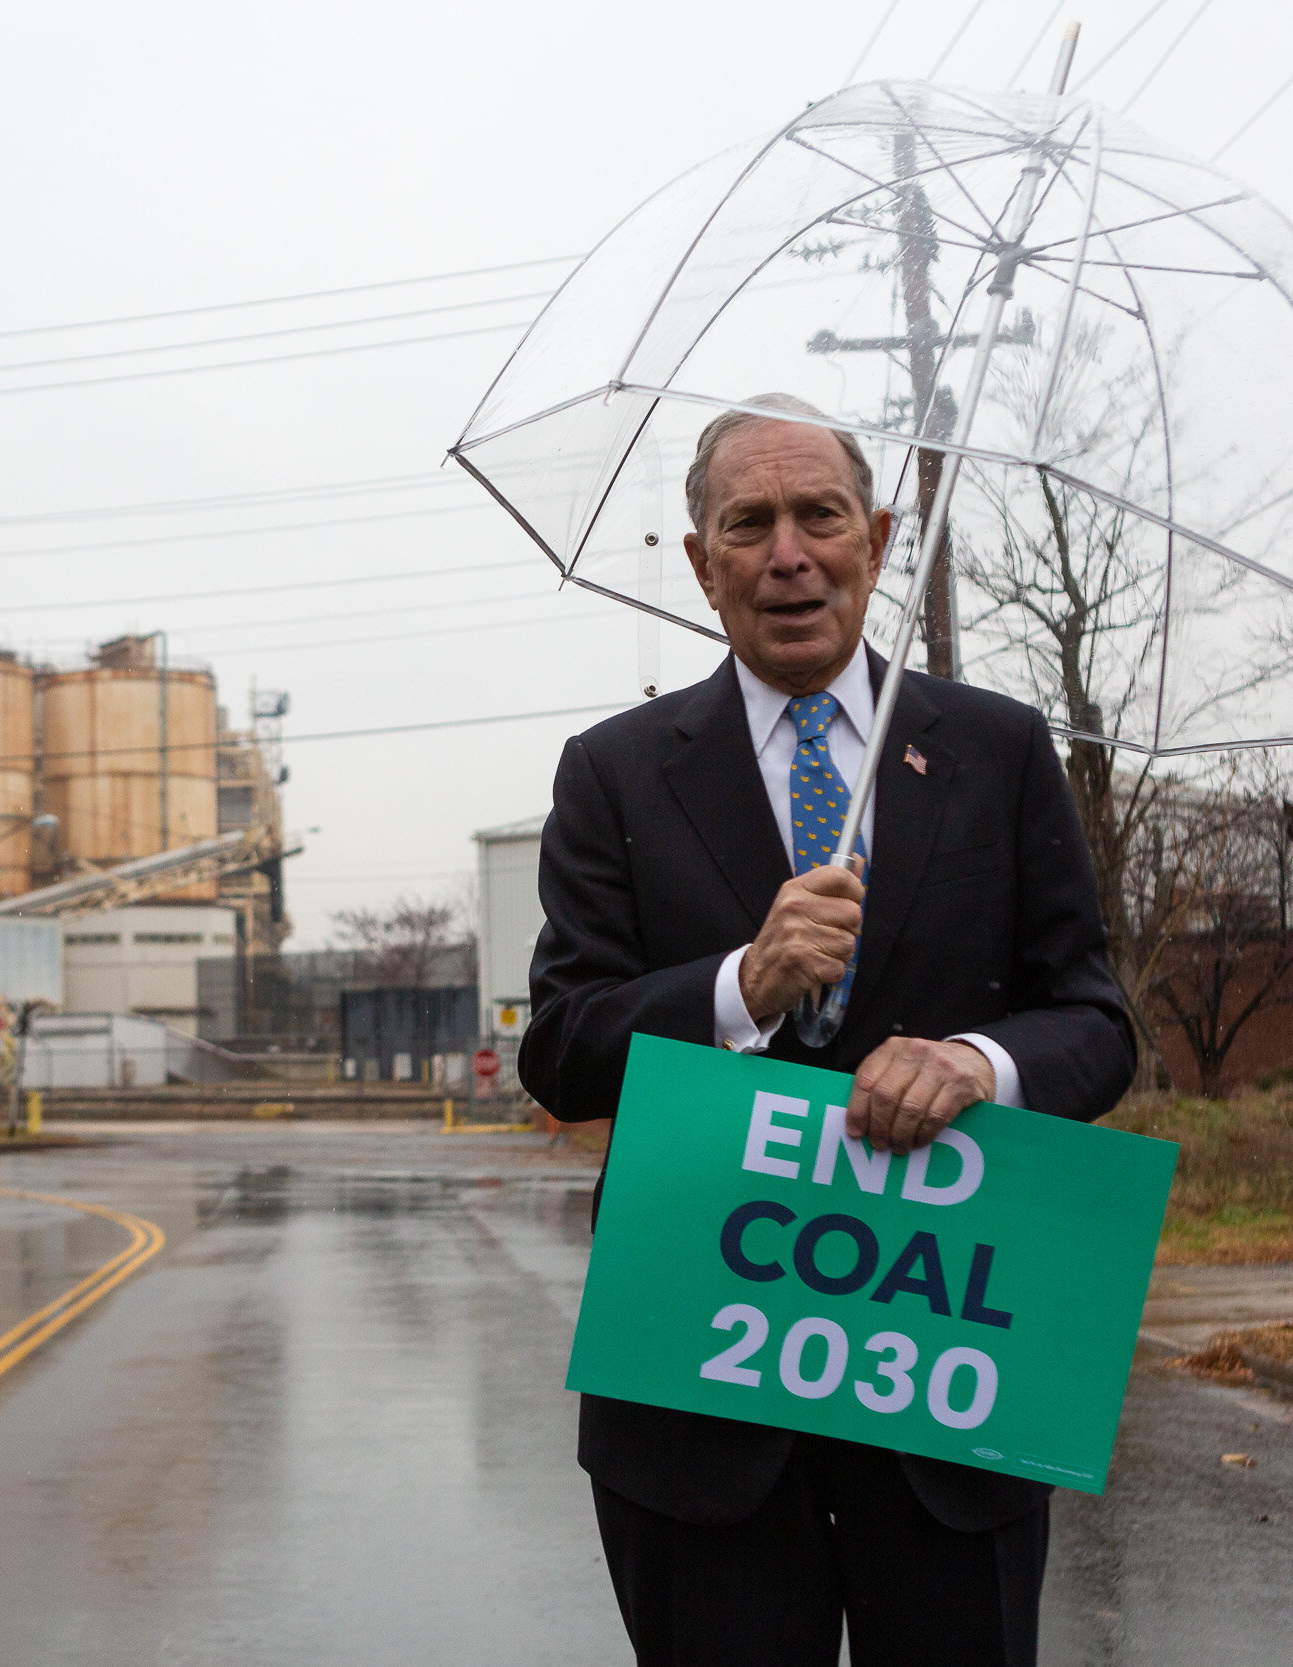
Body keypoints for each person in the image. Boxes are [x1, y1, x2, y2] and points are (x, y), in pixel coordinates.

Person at [518, 394, 1134, 1667]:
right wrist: (741, 982)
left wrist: (978, 1063)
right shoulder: (616, 771)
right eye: (749, 522)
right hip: (699, 1403)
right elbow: (563, 1049)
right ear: (701, 560)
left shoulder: (1002, 751)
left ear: (879, 537)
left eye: (820, 516)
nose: (787, 552)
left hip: (948, 1398)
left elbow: (1093, 1020)